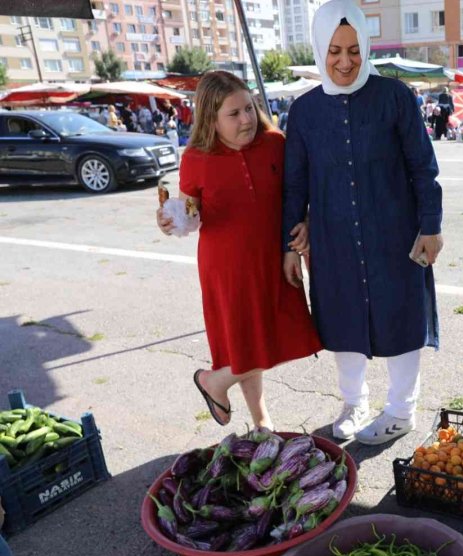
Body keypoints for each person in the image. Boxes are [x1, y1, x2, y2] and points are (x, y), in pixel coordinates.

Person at [283, 0, 443, 445]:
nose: (345, 61)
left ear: (366, 47)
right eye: (334, 50)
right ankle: (355, 403)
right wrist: (289, 240)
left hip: (396, 232)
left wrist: (431, 224)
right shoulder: (305, 111)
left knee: (401, 315)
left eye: (354, 50)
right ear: (319, 48)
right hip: (333, 236)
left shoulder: (395, 97)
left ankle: (401, 410)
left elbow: (422, 167)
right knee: (344, 317)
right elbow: (294, 183)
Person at [155, 70, 322, 429]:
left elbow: (298, 195)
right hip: (226, 267)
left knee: (280, 336)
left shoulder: (276, 141)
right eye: (234, 114)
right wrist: (172, 221)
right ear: (211, 119)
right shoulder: (196, 157)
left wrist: (305, 223)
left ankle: (214, 381)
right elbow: (190, 212)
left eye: (249, 108)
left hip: (273, 258)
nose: (246, 119)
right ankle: (261, 421)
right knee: (244, 343)